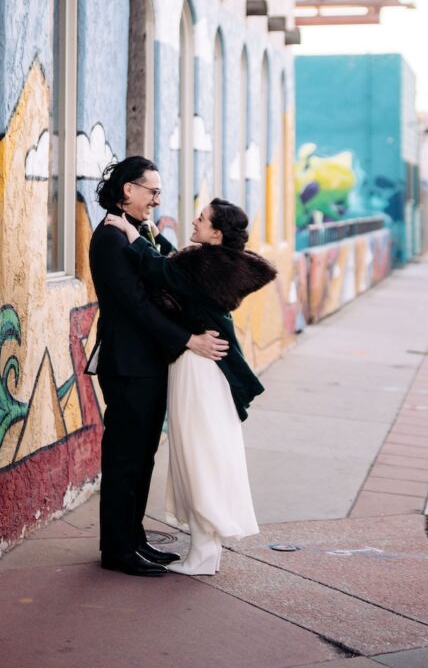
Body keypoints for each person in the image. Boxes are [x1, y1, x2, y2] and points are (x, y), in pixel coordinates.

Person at [104, 197, 276, 575]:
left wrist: (132, 232)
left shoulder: (202, 266)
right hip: (202, 368)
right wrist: (152, 236)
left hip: (198, 367)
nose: (194, 221)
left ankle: (202, 551)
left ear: (216, 232)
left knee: (197, 453)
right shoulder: (220, 264)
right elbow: (173, 264)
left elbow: (159, 270)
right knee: (204, 451)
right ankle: (205, 549)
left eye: (202, 218)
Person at [88, 156, 229, 577]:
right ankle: (116, 550)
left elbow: (168, 273)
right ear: (127, 190)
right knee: (124, 459)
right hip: (128, 365)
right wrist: (189, 340)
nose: (156, 200)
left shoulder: (137, 231)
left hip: (147, 363)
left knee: (143, 455)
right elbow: (136, 304)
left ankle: (133, 539)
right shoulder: (110, 237)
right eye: (152, 191)